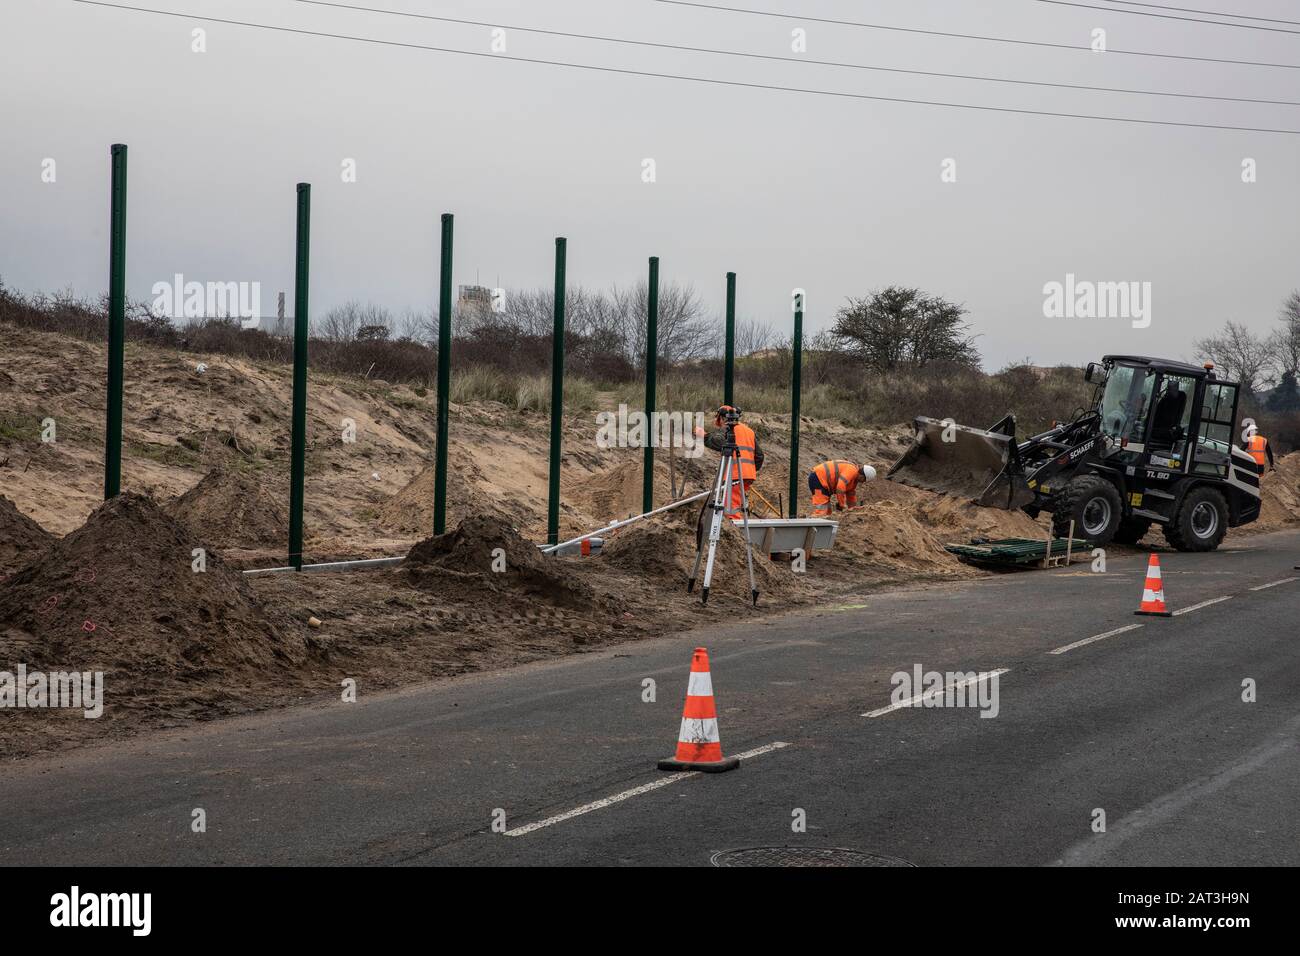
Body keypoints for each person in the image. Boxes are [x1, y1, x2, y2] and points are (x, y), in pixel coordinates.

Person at [701, 405, 763, 518]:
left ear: (723, 418)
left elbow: (720, 443)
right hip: (748, 475)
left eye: (718, 418)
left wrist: (704, 436)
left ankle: (735, 531)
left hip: (734, 475)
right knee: (736, 504)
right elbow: (759, 456)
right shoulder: (749, 431)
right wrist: (749, 470)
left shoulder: (729, 429)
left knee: (731, 509)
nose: (717, 422)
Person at [809, 459, 873, 517]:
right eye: (864, 480)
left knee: (828, 512)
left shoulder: (853, 480)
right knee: (821, 512)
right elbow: (840, 487)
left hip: (822, 481)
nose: (862, 482)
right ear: (862, 476)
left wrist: (853, 509)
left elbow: (850, 494)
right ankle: (808, 526)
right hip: (818, 478)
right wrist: (841, 504)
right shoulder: (852, 471)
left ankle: (821, 527)